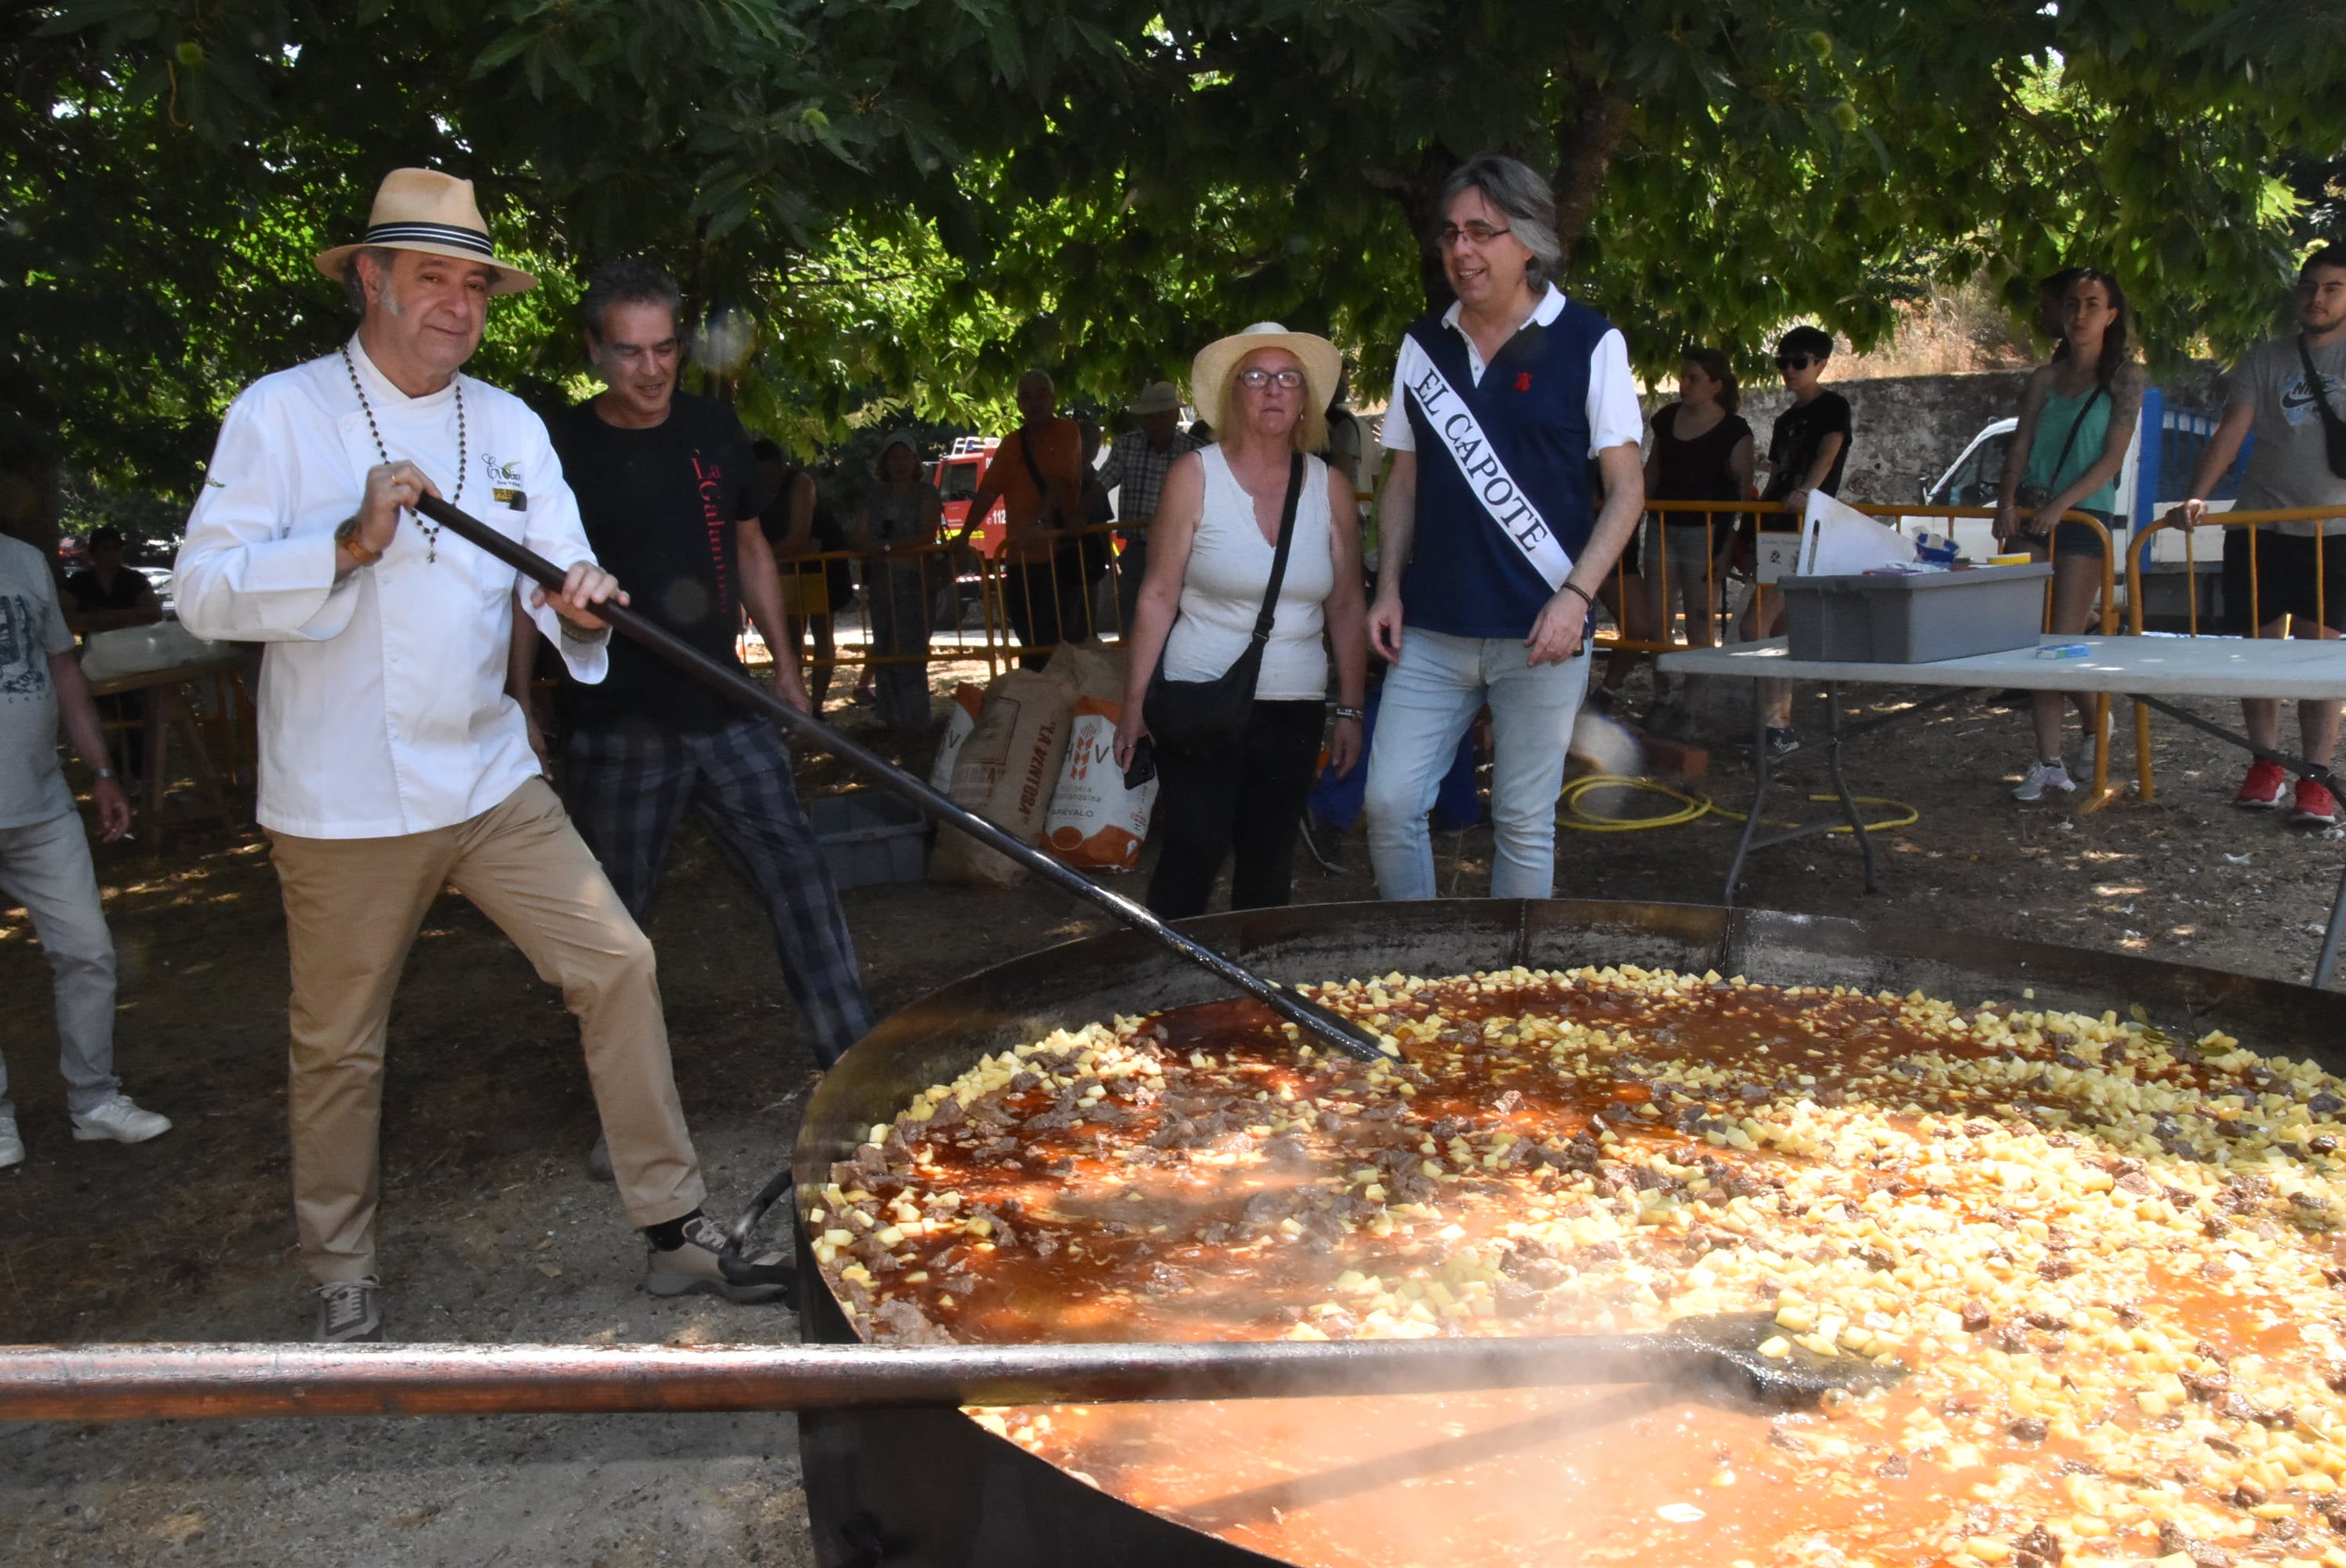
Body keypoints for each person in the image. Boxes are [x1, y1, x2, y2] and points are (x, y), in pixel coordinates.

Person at [175, 169, 794, 1341]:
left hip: (488, 777)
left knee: (615, 961)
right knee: (340, 1045)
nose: (458, 307)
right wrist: (347, 545)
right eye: (430, 281)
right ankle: (340, 1273)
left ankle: (672, 1230)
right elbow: (204, 592)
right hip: (340, 797)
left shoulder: (506, 423)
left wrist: (584, 605)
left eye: (474, 285)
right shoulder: (281, 413)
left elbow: (559, 573)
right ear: (370, 279)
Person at [536, 257, 873, 1090]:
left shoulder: (714, 430)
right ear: (593, 350)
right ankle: (622, 1103)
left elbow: (751, 545)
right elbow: (528, 582)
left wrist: (788, 673)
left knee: (799, 875)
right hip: (614, 722)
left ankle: (853, 1065)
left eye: (664, 348)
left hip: (725, 703)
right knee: (613, 923)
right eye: (628, 351)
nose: (651, 369)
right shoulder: (561, 445)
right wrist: (521, 702)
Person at [1361, 153, 1645, 902]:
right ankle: (1415, 981)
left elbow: (1626, 492)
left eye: (1481, 232)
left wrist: (1578, 597)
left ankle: (1510, 996)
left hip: (1542, 635)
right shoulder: (1422, 348)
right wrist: (1387, 585)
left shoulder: (1591, 342)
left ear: (1528, 241)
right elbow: (1404, 478)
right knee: (1389, 805)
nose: (1461, 250)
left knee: (1523, 823)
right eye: (1452, 233)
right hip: (1431, 629)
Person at [1116, 322, 1369, 917]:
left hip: (1294, 702)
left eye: (1288, 378)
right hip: (1200, 695)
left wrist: (1351, 710)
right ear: (1234, 394)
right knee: (1193, 850)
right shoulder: (1194, 476)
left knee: (1269, 856)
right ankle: (1169, 988)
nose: (1273, 390)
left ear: (1306, 398)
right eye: (1256, 377)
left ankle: (1258, 996)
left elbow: (1348, 607)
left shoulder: (1328, 488)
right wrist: (1132, 706)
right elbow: (1157, 595)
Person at [0, 529, 170, 1171]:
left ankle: (94, 1101)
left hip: (41, 806)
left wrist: (100, 770)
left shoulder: (23, 561)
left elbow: (62, 669)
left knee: (89, 952)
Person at [2169, 245, 2346, 826]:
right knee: (2258, 651)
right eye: (2309, 286)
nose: (2316, 299)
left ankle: (2316, 777)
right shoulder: (2265, 357)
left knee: (2322, 661)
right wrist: (2197, 493)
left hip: (2333, 531)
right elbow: (2231, 430)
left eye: (2332, 288)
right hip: (2260, 524)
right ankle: (2266, 763)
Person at [1995, 267, 2144, 801]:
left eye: (2092, 304)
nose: (2079, 315)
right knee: (2034, 643)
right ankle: (2048, 760)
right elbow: (2021, 442)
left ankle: (2093, 725)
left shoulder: (2127, 377)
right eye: (2072, 304)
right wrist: (2006, 501)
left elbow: (2111, 458)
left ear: (2111, 314)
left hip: (2083, 521)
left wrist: (2062, 505)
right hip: (2032, 516)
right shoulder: (2043, 378)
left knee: (2062, 641)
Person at [1736, 325, 1853, 757]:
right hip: (1778, 526)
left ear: (1821, 364)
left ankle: (1777, 727)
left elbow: (1829, 452)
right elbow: (1774, 479)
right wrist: (1749, 536)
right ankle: (1778, 726)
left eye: (1799, 362)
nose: (1789, 370)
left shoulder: (1834, 407)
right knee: (1779, 630)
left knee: (1755, 625)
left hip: (1809, 527)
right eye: (1782, 362)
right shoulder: (1786, 420)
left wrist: (1808, 492)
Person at [1639, 347, 1753, 739]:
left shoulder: (1735, 431)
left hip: (1708, 533)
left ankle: (1690, 708)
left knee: (1701, 622)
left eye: (1693, 378)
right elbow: (1651, 472)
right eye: (1682, 376)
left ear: (1716, 386)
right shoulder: (1667, 419)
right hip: (1661, 526)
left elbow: (1741, 494)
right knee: (1658, 620)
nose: (1682, 384)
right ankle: (1662, 698)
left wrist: (1726, 550)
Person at [954, 371, 1088, 666]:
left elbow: (1058, 482)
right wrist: (963, 536)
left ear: (1053, 399)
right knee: (1030, 647)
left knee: (1061, 647)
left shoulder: (1067, 432)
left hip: (1059, 558)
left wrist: (1039, 523)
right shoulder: (1012, 443)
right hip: (1020, 561)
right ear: (1018, 404)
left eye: (1041, 394)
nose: (1035, 402)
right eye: (1027, 396)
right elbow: (987, 493)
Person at [850, 434, 945, 734]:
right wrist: (877, 548)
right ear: (885, 463)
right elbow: (859, 535)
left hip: (914, 582)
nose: (900, 462)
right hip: (881, 582)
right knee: (885, 647)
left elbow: (926, 535)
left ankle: (916, 720)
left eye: (906, 456)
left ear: (915, 460)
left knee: (911, 649)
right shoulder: (873, 496)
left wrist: (888, 548)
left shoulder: (926, 493)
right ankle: (890, 718)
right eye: (894, 456)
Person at [1095, 380, 1202, 636]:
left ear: (1174, 416)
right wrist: (1077, 516)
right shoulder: (1127, 445)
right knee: (1134, 621)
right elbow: (1102, 484)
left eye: (1160, 416)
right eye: (1149, 417)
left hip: (1184, 553)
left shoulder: (1195, 451)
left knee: (1182, 623)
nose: (1154, 423)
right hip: (1138, 552)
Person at [756, 441, 851, 710]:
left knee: (822, 631)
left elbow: (798, 538)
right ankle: (795, 706)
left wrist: (763, 556)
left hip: (821, 563)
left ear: (782, 468)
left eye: (771, 474)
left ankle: (817, 707)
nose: (768, 482)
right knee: (790, 636)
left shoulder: (801, 483)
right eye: (761, 476)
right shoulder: (752, 491)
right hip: (785, 566)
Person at [61, 526, 162, 637]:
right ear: (93, 552)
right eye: (105, 549)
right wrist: (124, 617)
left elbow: (154, 613)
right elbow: (64, 617)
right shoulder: (78, 582)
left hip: (133, 645)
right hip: (93, 648)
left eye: (116, 548)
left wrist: (101, 619)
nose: (111, 554)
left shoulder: (135, 579)